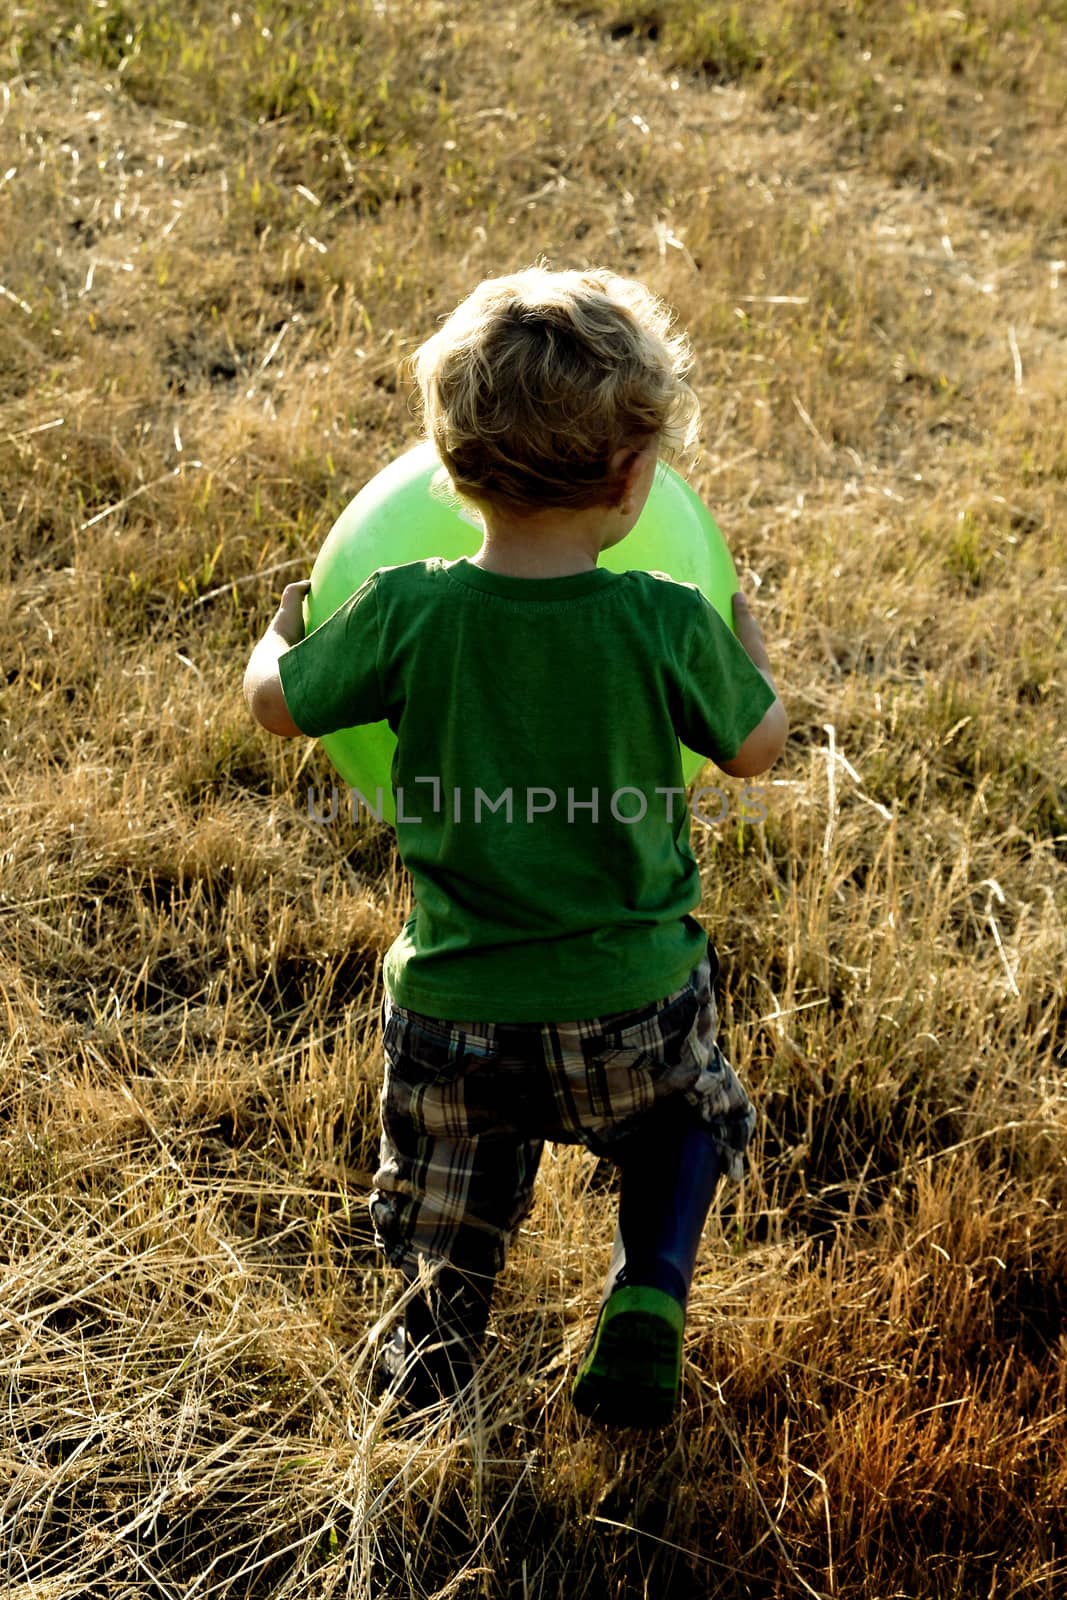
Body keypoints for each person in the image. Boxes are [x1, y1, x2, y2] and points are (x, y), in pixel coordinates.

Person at [244, 266, 787, 1428]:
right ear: (637, 478)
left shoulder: (401, 607)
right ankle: (649, 1284)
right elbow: (755, 748)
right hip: (631, 992)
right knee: (686, 1115)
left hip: (455, 1005)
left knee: (444, 1202)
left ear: (445, 470)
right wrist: (750, 651)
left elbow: (277, 707)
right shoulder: (662, 618)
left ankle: (432, 1356)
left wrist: (273, 634)